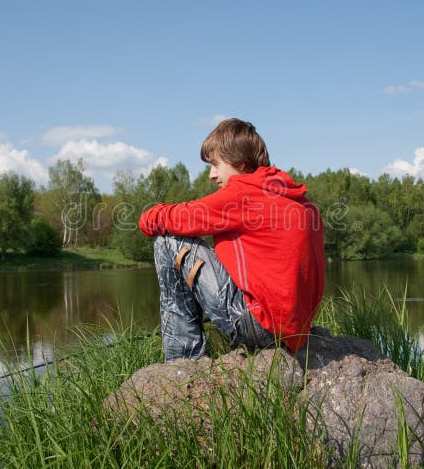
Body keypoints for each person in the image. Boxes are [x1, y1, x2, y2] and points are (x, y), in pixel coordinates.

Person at [138, 118, 325, 362]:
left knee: (167, 241)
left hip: (260, 329)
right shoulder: (299, 201)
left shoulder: (244, 194)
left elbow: (175, 218)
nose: (211, 175)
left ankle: (182, 360)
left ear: (240, 163)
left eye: (215, 164)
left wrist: (147, 216)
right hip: (295, 333)